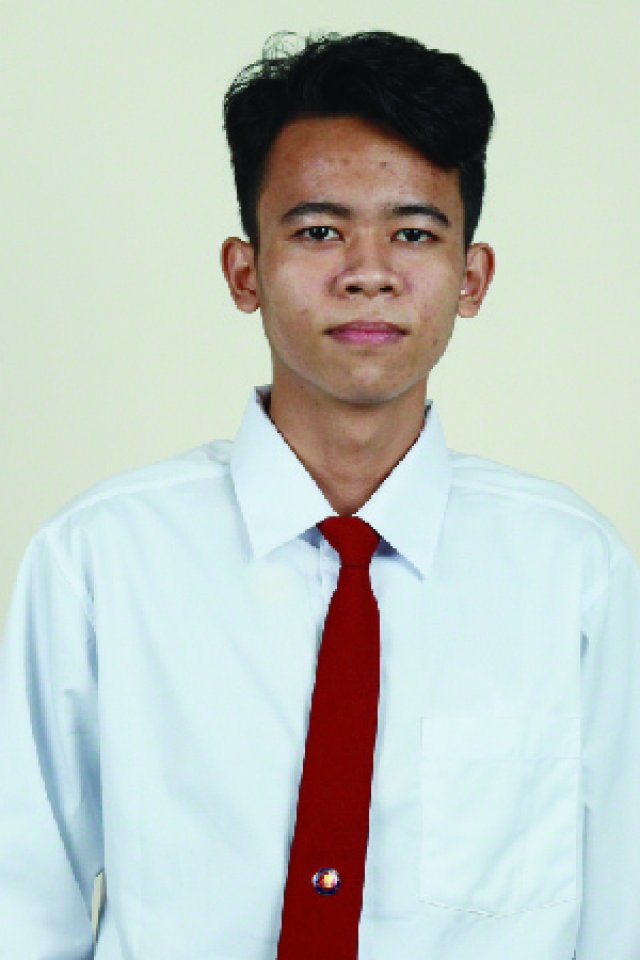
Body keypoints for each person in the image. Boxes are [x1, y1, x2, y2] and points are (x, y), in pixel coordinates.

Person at [0, 28, 638, 960]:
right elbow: (21, 907)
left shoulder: (573, 572)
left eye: (413, 232)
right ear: (244, 271)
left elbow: (623, 910)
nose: (368, 272)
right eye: (318, 231)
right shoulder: (100, 560)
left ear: (472, 277)